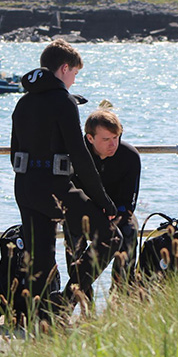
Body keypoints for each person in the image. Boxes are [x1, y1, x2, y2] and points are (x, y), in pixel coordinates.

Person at [10, 39, 121, 320]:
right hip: (55, 187)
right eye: (75, 73)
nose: (74, 80)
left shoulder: (23, 102)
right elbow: (80, 155)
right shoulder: (64, 101)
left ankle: (40, 320)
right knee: (110, 237)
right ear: (64, 68)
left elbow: (14, 152)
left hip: (25, 186)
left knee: (40, 257)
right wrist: (103, 200)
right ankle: (66, 299)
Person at [66, 104, 141, 291]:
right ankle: (81, 297)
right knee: (73, 241)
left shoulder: (129, 156)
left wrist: (113, 216)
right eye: (106, 139)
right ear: (90, 138)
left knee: (130, 231)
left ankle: (121, 292)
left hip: (116, 213)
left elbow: (128, 203)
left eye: (116, 137)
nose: (113, 144)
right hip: (82, 212)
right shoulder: (74, 156)